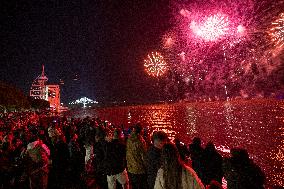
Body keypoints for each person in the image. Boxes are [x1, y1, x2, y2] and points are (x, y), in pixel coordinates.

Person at [126, 123, 148, 189]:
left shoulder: (129, 138)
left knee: (134, 186)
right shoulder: (140, 141)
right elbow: (144, 156)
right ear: (141, 131)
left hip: (130, 167)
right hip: (139, 169)